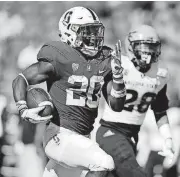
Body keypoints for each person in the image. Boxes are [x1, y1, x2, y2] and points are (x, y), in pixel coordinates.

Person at [12, 6, 126, 177]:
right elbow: (21, 79)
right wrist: (23, 108)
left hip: (82, 139)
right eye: (86, 31)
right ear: (69, 33)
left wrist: (118, 78)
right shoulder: (60, 56)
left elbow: (116, 105)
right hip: (60, 136)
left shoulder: (104, 59)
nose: (93, 36)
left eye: (95, 31)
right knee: (104, 162)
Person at [96, 24, 175, 177]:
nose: (147, 52)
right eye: (143, 47)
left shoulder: (160, 74)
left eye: (151, 47)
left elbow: (159, 110)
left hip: (132, 135)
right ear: (131, 47)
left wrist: (167, 138)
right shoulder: (121, 65)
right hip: (111, 131)